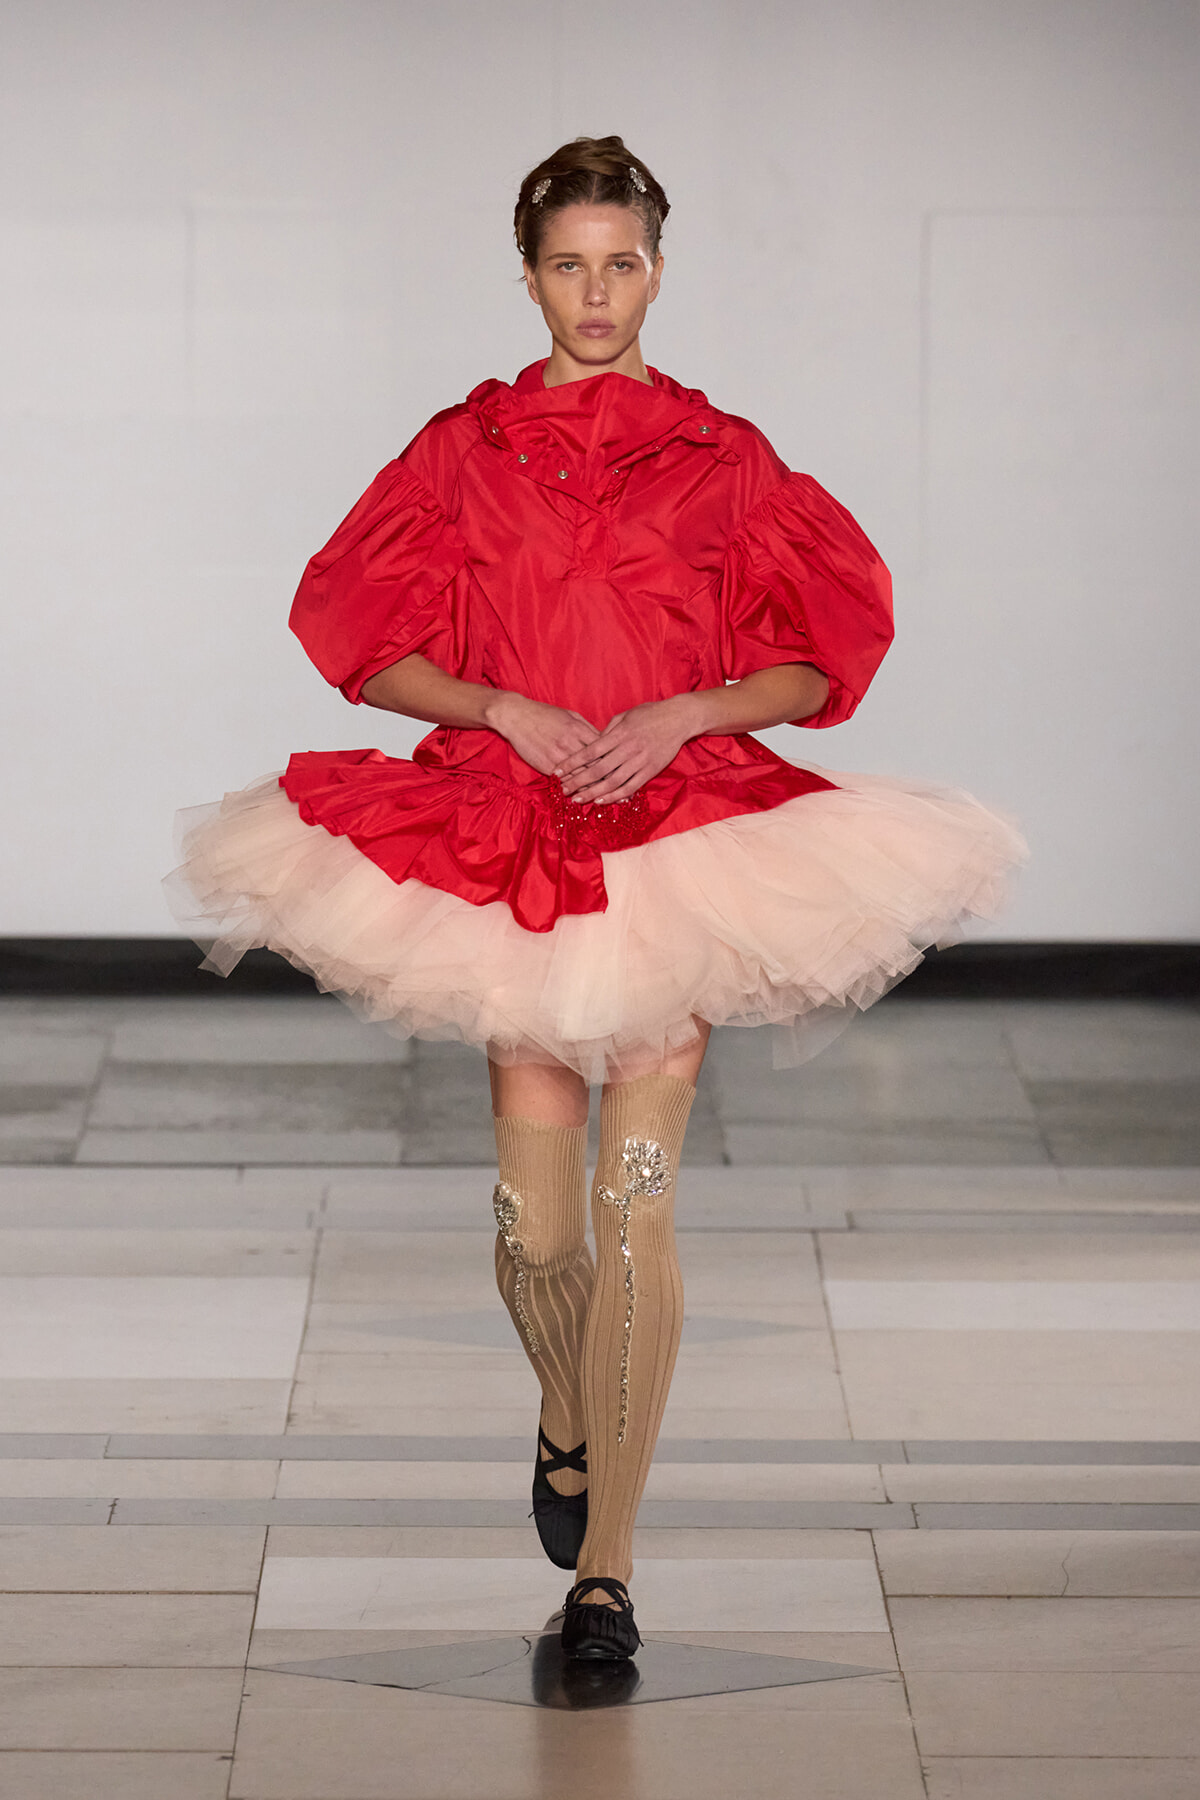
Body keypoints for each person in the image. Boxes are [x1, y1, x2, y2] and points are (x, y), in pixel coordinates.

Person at [170, 135, 1025, 1661]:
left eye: (622, 261)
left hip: (679, 847)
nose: (597, 291)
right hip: (505, 849)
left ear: (656, 269)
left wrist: (688, 717)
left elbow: (823, 652)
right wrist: (498, 707)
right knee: (538, 1235)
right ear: (529, 274)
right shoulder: (462, 450)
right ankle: (570, 1408)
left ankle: (607, 1572)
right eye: (569, 262)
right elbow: (362, 634)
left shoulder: (723, 455)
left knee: (637, 1217)